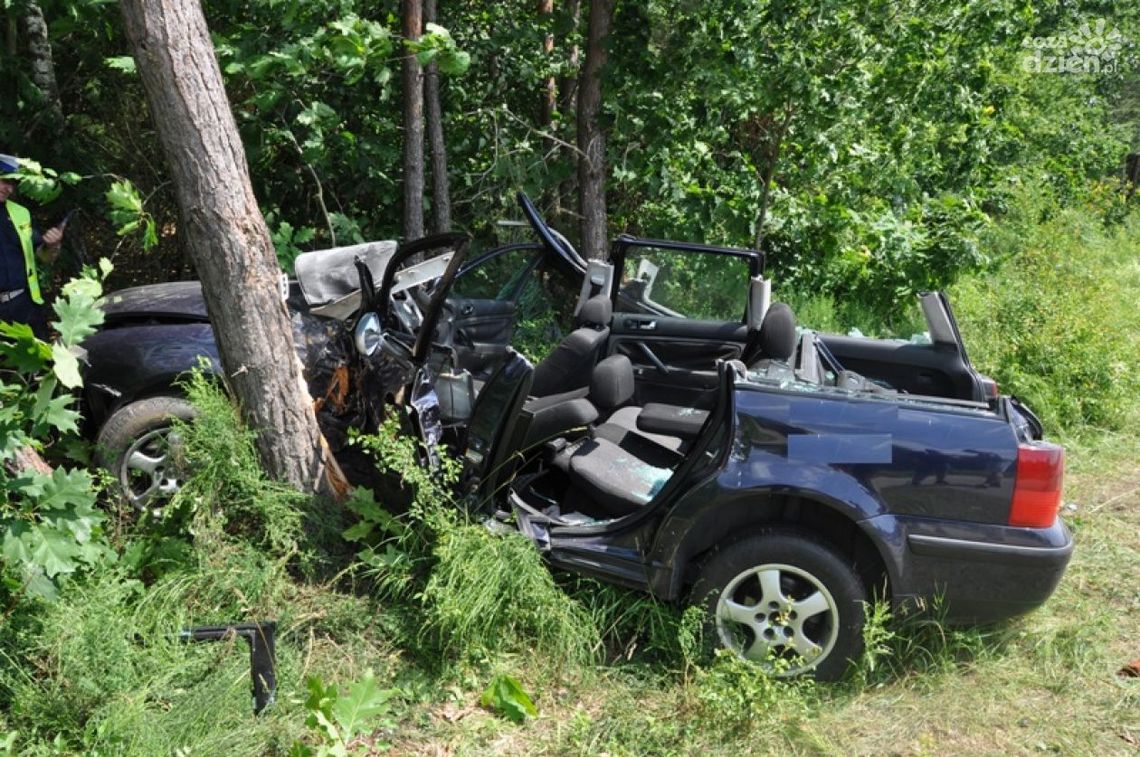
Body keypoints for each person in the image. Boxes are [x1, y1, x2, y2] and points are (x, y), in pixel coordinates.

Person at [0, 153, 65, 340]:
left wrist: (52, 245)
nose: (9, 188)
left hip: (25, 307)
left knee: (39, 365)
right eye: (4, 180)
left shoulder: (20, 213)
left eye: (12, 183)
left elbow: (42, 256)